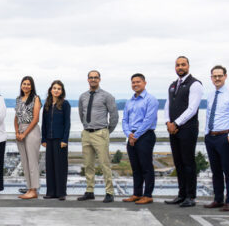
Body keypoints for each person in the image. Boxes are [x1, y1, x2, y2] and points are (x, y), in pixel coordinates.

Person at [163, 55, 202, 207]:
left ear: (188, 66)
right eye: (178, 65)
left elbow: (192, 109)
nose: (180, 67)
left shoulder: (195, 84)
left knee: (188, 163)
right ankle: (181, 194)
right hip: (173, 130)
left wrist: (176, 123)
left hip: (188, 129)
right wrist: (168, 122)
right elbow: (167, 105)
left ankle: (190, 196)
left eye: (183, 65)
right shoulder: (173, 85)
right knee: (178, 163)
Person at [202, 65, 229, 212]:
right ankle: (218, 199)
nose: (217, 78)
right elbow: (208, 114)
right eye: (214, 76)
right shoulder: (211, 94)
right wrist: (206, 133)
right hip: (211, 137)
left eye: (220, 75)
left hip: (225, 136)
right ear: (211, 78)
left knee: (228, 171)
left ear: (225, 76)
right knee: (215, 170)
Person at [77, 70, 118, 202]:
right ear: (87, 79)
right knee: (88, 164)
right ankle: (89, 191)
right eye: (91, 77)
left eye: (95, 77)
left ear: (99, 79)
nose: (93, 79)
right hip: (86, 133)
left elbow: (114, 116)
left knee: (104, 164)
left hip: (100, 133)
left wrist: (106, 131)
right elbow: (81, 114)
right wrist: (86, 126)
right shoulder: (82, 96)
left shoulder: (107, 96)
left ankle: (109, 192)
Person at [121, 73, 158, 205]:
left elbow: (148, 120)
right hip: (131, 136)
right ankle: (137, 194)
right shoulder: (129, 101)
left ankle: (148, 195)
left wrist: (135, 136)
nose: (135, 84)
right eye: (133, 82)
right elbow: (124, 120)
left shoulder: (151, 100)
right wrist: (128, 134)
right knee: (135, 167)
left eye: (138, 82)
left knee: (146, 166)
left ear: (144, 83)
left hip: (145, 136)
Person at [41, 80, 70, 200]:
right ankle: (51, 192)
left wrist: (65, 139)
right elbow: (44, 123)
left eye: (59, 88)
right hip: (49, 139)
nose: (56, 90)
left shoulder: (65, 104)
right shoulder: (47, 104)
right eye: (54, 88)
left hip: (60, 140)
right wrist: (43, 138)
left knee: (61, 167)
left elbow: (67, 123)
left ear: (62, 91)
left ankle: (61, 193)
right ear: (50, 90)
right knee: (50, 166)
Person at [14, 76, 41, 199]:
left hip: (31, 130)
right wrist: (17, 132)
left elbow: (35, 118)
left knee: (32, 161)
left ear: (32, 86)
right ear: (21, 85)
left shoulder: (35, 99)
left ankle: (34, 190)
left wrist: (25, 133)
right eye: (24, 84)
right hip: (20, 130)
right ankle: (29, 188)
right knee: (25, 161)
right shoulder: (18, 99)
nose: (26, 86)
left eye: (28, 84)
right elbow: (16, 117)